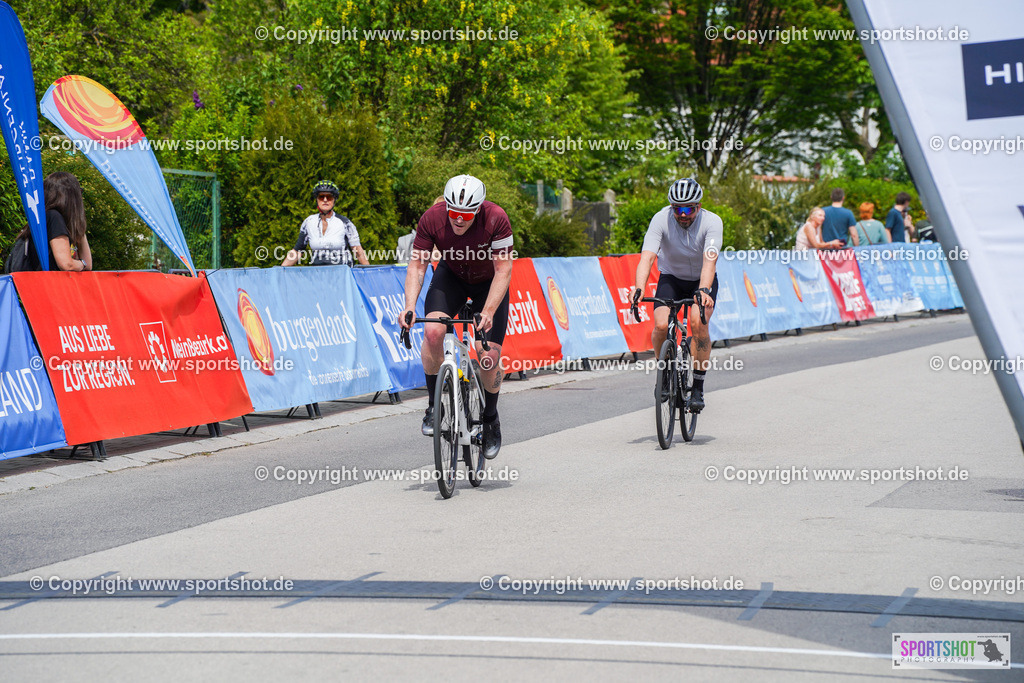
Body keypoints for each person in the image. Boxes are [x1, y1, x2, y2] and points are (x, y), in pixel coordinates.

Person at [400, 175, 514, 459]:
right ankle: (432, 407)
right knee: (434, 333)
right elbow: (417, 266)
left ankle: (490, 417)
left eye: (465, 215)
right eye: (454, 213)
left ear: (477, 210)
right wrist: (409, 306)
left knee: (487, 356)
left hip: (488, 283)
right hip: (451, 277)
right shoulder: (432, 218)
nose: (459, 220)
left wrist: (487, 311)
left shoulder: (496, 218)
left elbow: (504, 270)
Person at [631, 177, 720, 411]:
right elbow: (647, 256)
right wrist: (639, 287)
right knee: (660, 326)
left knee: (697, 324)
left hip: (701, 280)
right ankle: (664, 373)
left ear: (698, 207)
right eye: (677, 209)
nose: (682, 214)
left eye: (688, 209)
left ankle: (698, 387)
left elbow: (709, 261)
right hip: (670, 277)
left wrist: (703, 290)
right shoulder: (660, 219)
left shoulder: (712, 222)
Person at [16, 171, 93, 272]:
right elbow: (67, 264)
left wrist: (77, 225)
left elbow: (88, 264)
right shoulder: (54, 218)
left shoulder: (43, 218)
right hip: (44, 285)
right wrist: (81, 263)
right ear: (72, 197)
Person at [281, 180, 369, 267]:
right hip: (318, 274)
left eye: (329, 197)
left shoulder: (345, 223)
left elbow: (358, 252)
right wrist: (280, 270)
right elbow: (297, 251)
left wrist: (369, 274)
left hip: (342, 274)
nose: (325, 200)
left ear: (334, 200)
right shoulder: (309, 222)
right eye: (321, 197)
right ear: (317, 199)